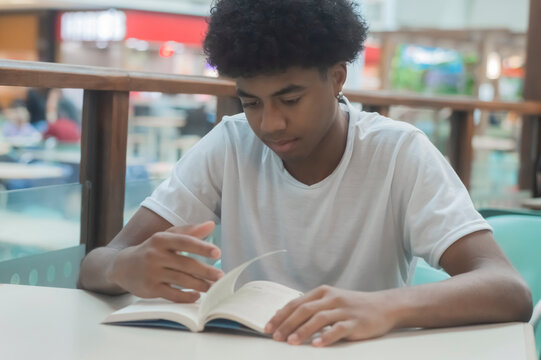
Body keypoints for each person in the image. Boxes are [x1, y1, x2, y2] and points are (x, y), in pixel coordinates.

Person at [79, 0, 532, 347]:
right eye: (250, 102)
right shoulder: (231, 143)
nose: (269, 124)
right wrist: (127, 266)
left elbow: (508, 289)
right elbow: (94, 266)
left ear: (337, 79)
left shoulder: (398, 152)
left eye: (290, 99)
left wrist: (384, 307)